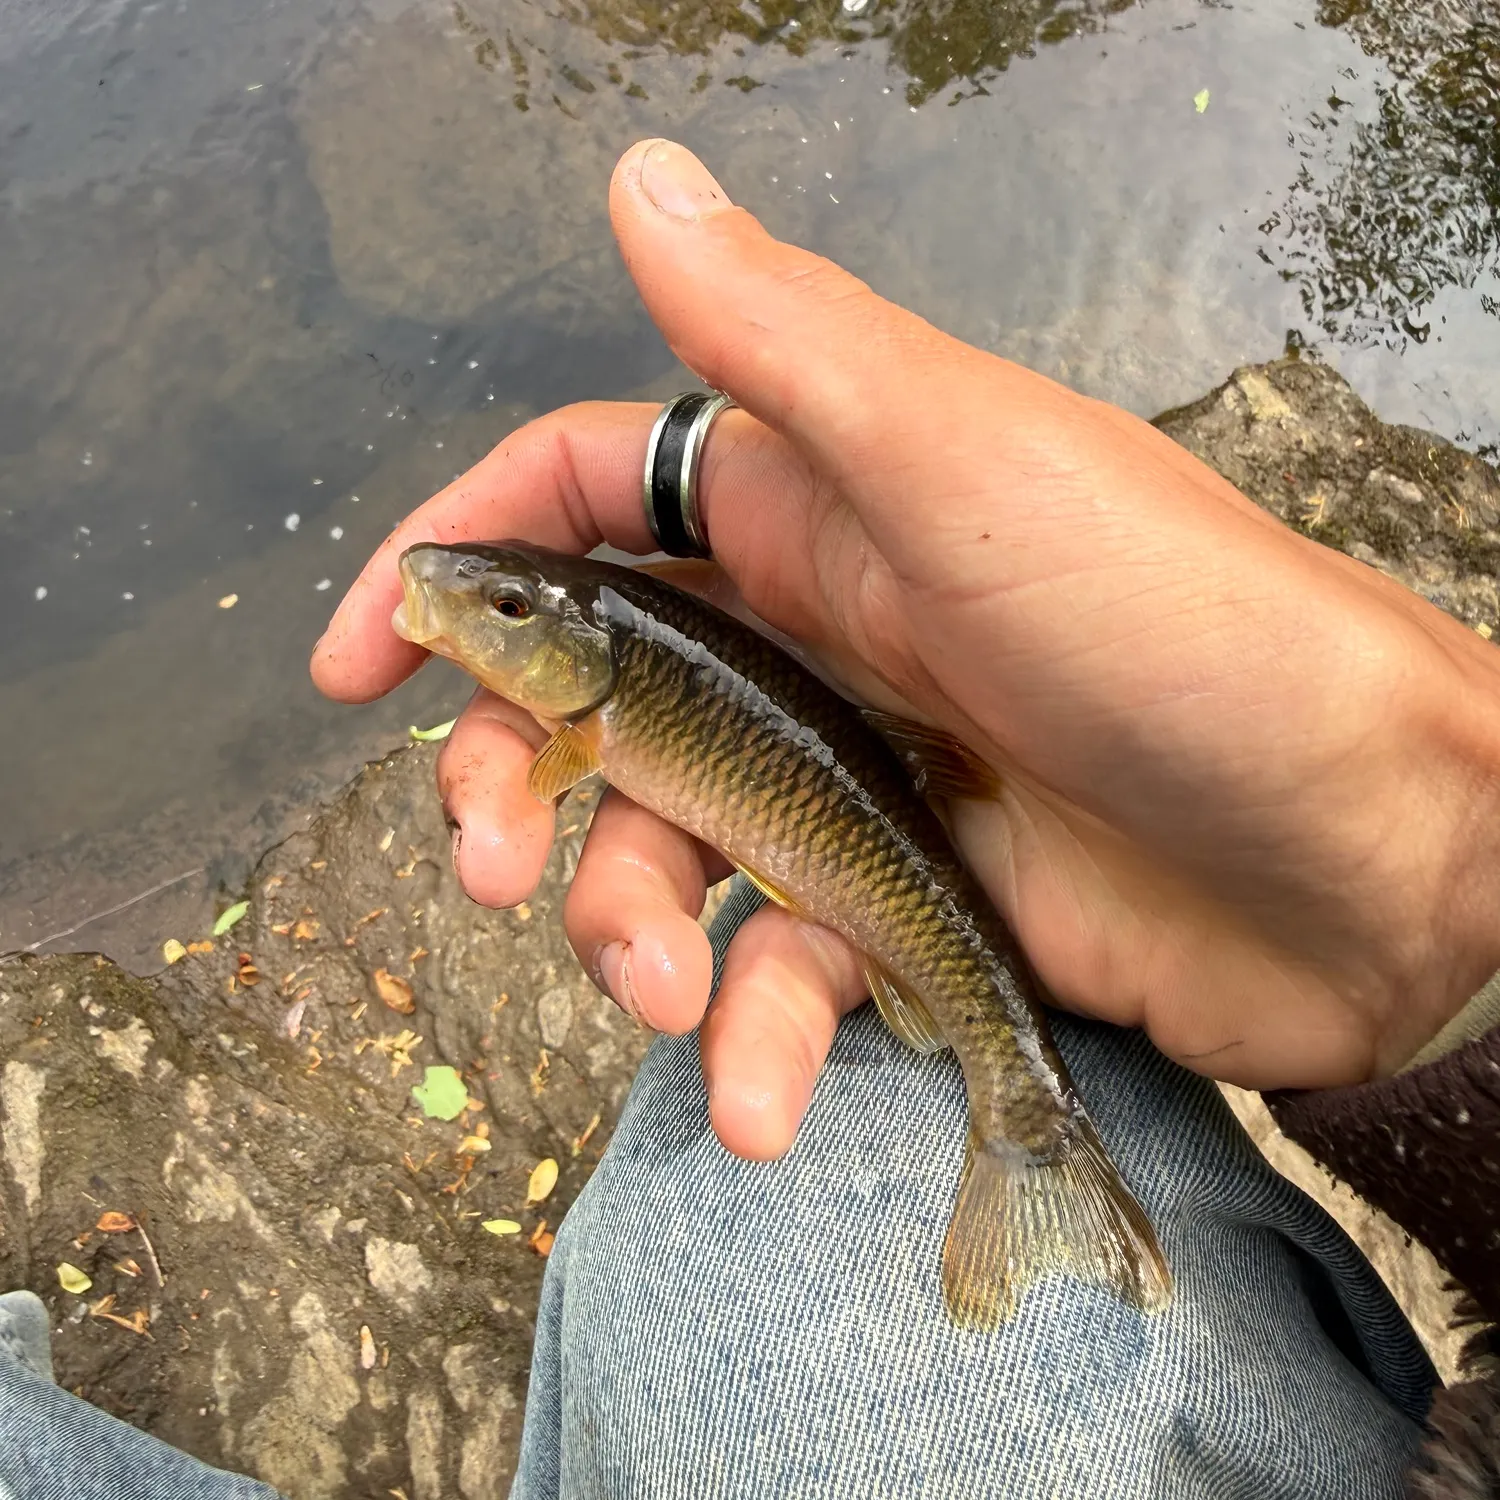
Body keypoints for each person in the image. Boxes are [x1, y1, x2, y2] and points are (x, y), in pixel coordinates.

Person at [3, 138, 1495, 1497]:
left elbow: (553, 776)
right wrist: (1442, 880)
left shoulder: (587, 718)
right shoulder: (606, 693)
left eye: (505, 606)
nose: (463, 603)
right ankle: (1027, 1110)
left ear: (571, 660)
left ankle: (1023, 1117)